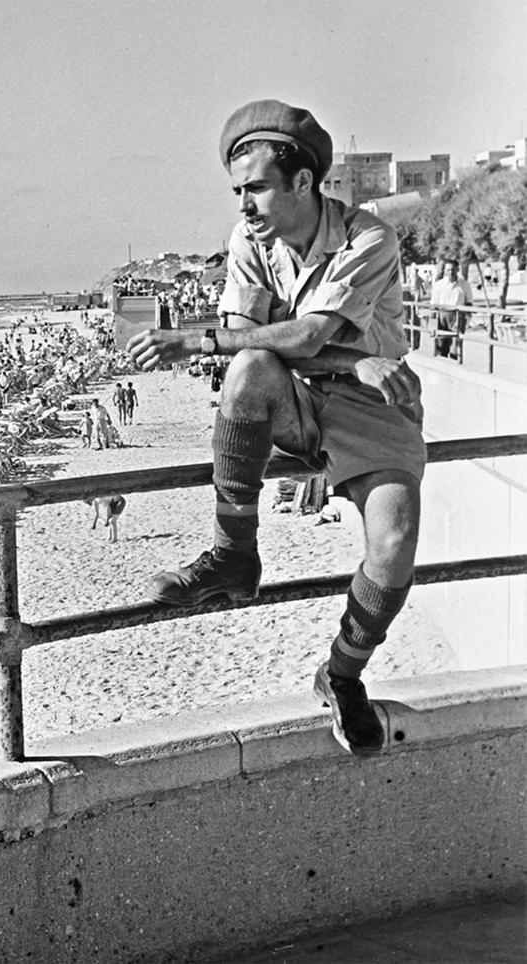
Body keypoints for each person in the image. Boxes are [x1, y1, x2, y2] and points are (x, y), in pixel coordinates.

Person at [127, 99, 424, 756]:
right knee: (250, 368)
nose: (244, 205)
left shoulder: (367, 239)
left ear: (303, 181)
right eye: (237, 191)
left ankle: (341, 673)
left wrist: (198, 340)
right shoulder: (248, 241)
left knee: (395, 542)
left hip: (374, 406)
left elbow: (308, 334)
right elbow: (251, 344)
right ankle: (233, 552)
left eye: (256, 188)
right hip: (298, 395)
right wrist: (353, 359)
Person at [429, 259, 471, 359]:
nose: (451, 272)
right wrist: (433, 322)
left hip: (458, 316)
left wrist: (467, 318)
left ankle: (455, 362)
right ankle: (441, 363)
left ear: (458, 270)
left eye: (453, 269)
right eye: (448, 270)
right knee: (441, 344)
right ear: (444, 271)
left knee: (456, 346)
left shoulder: (464, 284)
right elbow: (433, 303)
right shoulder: (439, 285)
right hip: (442, 315)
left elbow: (469, 301)